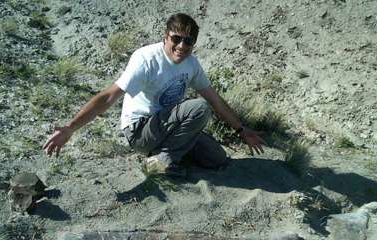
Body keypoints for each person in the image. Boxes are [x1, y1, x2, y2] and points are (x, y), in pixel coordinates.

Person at [43, 13, 264, 177]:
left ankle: (166, 154)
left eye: (188, 41)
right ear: (165, 37)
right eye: (176, 38)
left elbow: (216, 99)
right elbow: (109, 96)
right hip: (140, 130)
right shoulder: (147, 60)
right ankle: (161, 160)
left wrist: (242, 130)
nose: (181, 46)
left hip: (167, 127)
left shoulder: (192, 65)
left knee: (217, 158)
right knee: (199, 108)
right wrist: (70, 128)